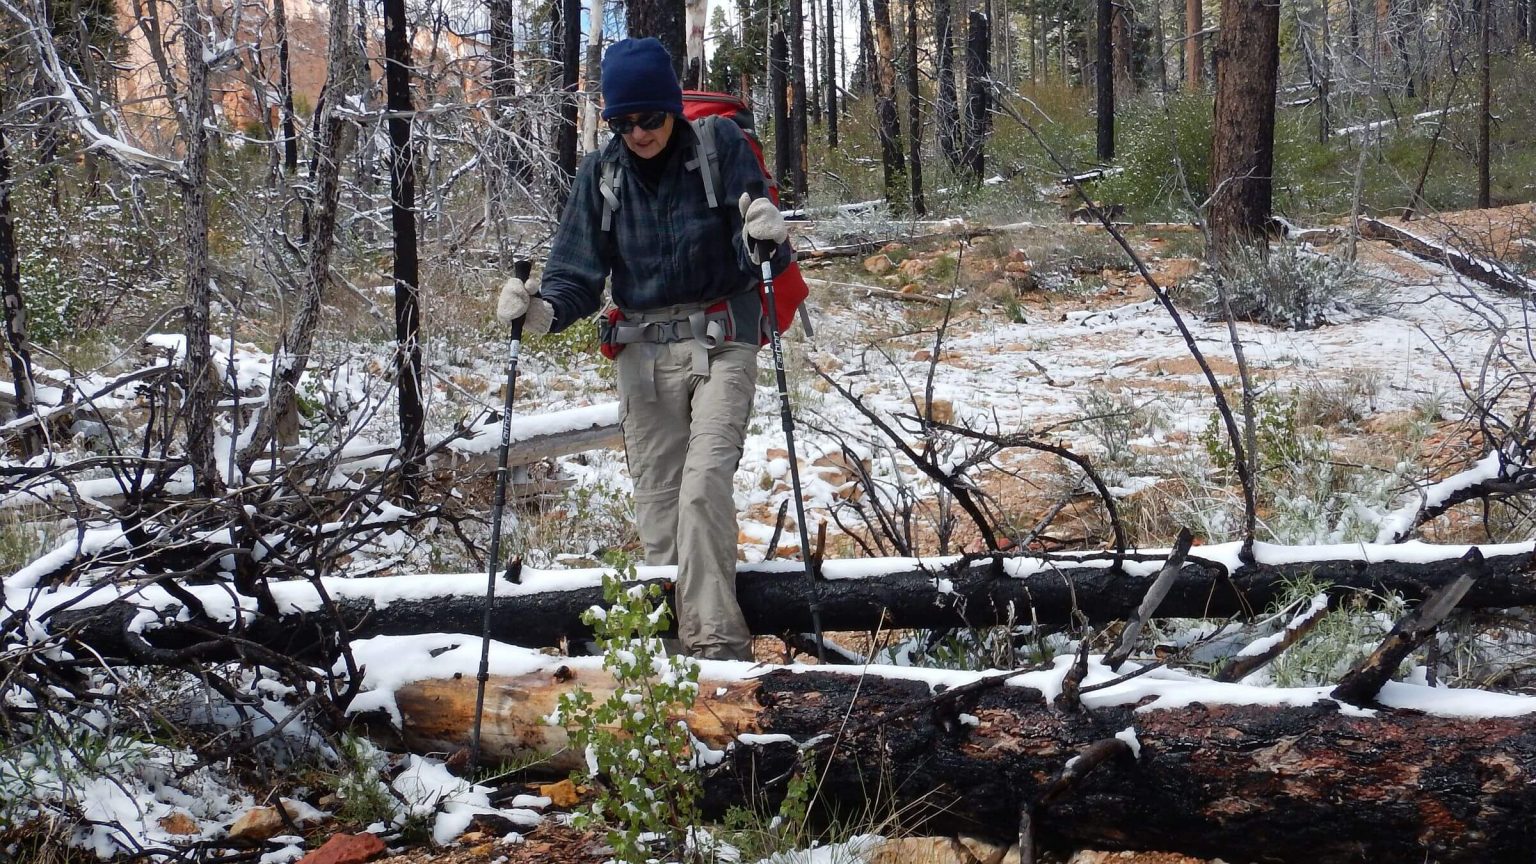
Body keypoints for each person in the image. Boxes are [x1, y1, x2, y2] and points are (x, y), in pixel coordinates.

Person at [495, 37, 792, 662]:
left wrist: (769, 237)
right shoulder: (601, 174)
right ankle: (676, 660)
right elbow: (576, 274)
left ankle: (717, 655)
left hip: (722, 342)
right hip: (641, 357)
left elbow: (759, 247)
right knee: (659, 509)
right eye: (623, 122)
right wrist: (539, 312)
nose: (638, 133)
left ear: (671, 110)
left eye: (649, 118)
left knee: (703, 485)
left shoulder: (721, 149)